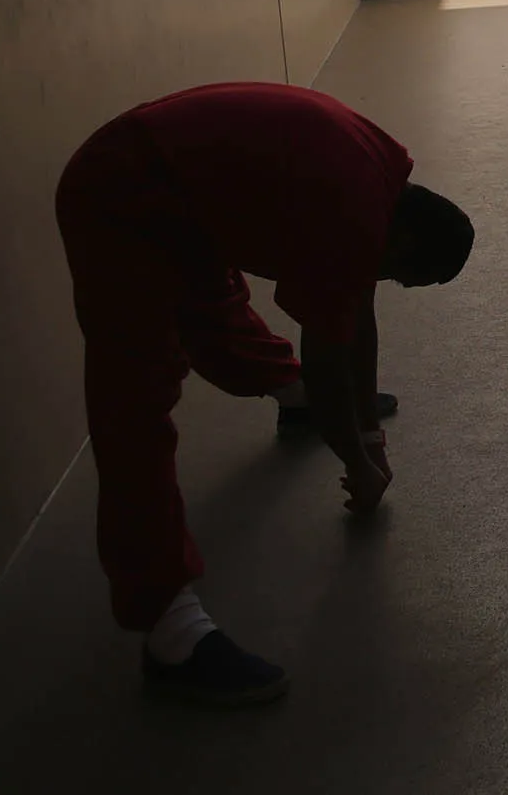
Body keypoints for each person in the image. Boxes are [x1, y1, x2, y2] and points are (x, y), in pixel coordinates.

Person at [53, 82, 474, 704]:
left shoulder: (383, 176)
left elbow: (356, 304)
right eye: (403, 276)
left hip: (171, 182)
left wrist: (367, 432)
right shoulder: (349, 216)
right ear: (404, 242)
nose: (391, 284)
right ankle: (170, 631)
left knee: (215, 312)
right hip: (119, 194)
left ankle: (289, 395)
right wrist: (357, 461)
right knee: (135, 401)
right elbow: (333, 350)